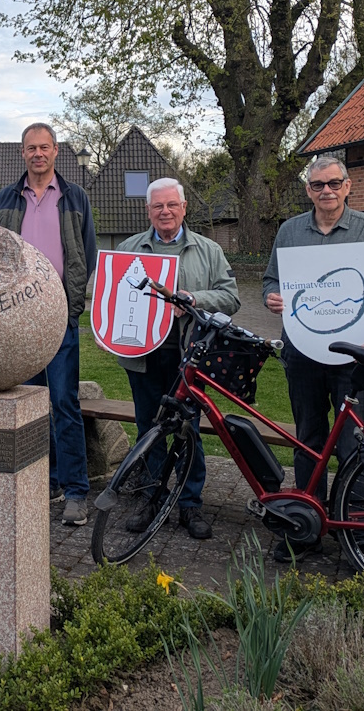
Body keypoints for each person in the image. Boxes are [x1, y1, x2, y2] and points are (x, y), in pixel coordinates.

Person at [262, 155, 364, 561]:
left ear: (347, 186)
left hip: (356, 359)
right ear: (308, 189)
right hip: (303, 354)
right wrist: (271, 297)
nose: (326, 191)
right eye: (317, 185)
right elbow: (271, 279)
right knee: (308, 441)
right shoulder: (290, 231)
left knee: (356, 445)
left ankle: (356, 538)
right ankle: (305, 529)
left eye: (333, 183)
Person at [116, 178, 239, 539]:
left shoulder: (209, 250)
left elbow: (230, 297)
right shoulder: (128, 248)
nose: (165, 212)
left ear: (184, 208)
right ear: (148, 210)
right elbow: (113, 294)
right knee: (148, 430)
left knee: (188, 432)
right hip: (143, 356)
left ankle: (190, 504)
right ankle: (151, 496)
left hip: (190, 357)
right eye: (158, 206)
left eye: (172, 205)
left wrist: (195, 299)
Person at [0, 122, 98, 526]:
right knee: (29, 405)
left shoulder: (75, 197)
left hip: (58, 317)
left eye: (44, 147)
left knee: (63, 404)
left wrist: (72, 308)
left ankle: (75, 491)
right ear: (22, 153)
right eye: (30, 148)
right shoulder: (6, 198)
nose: (38, 154)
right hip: (18, 318)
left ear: (56, 151)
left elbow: (84, 254)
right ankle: (42, 481)